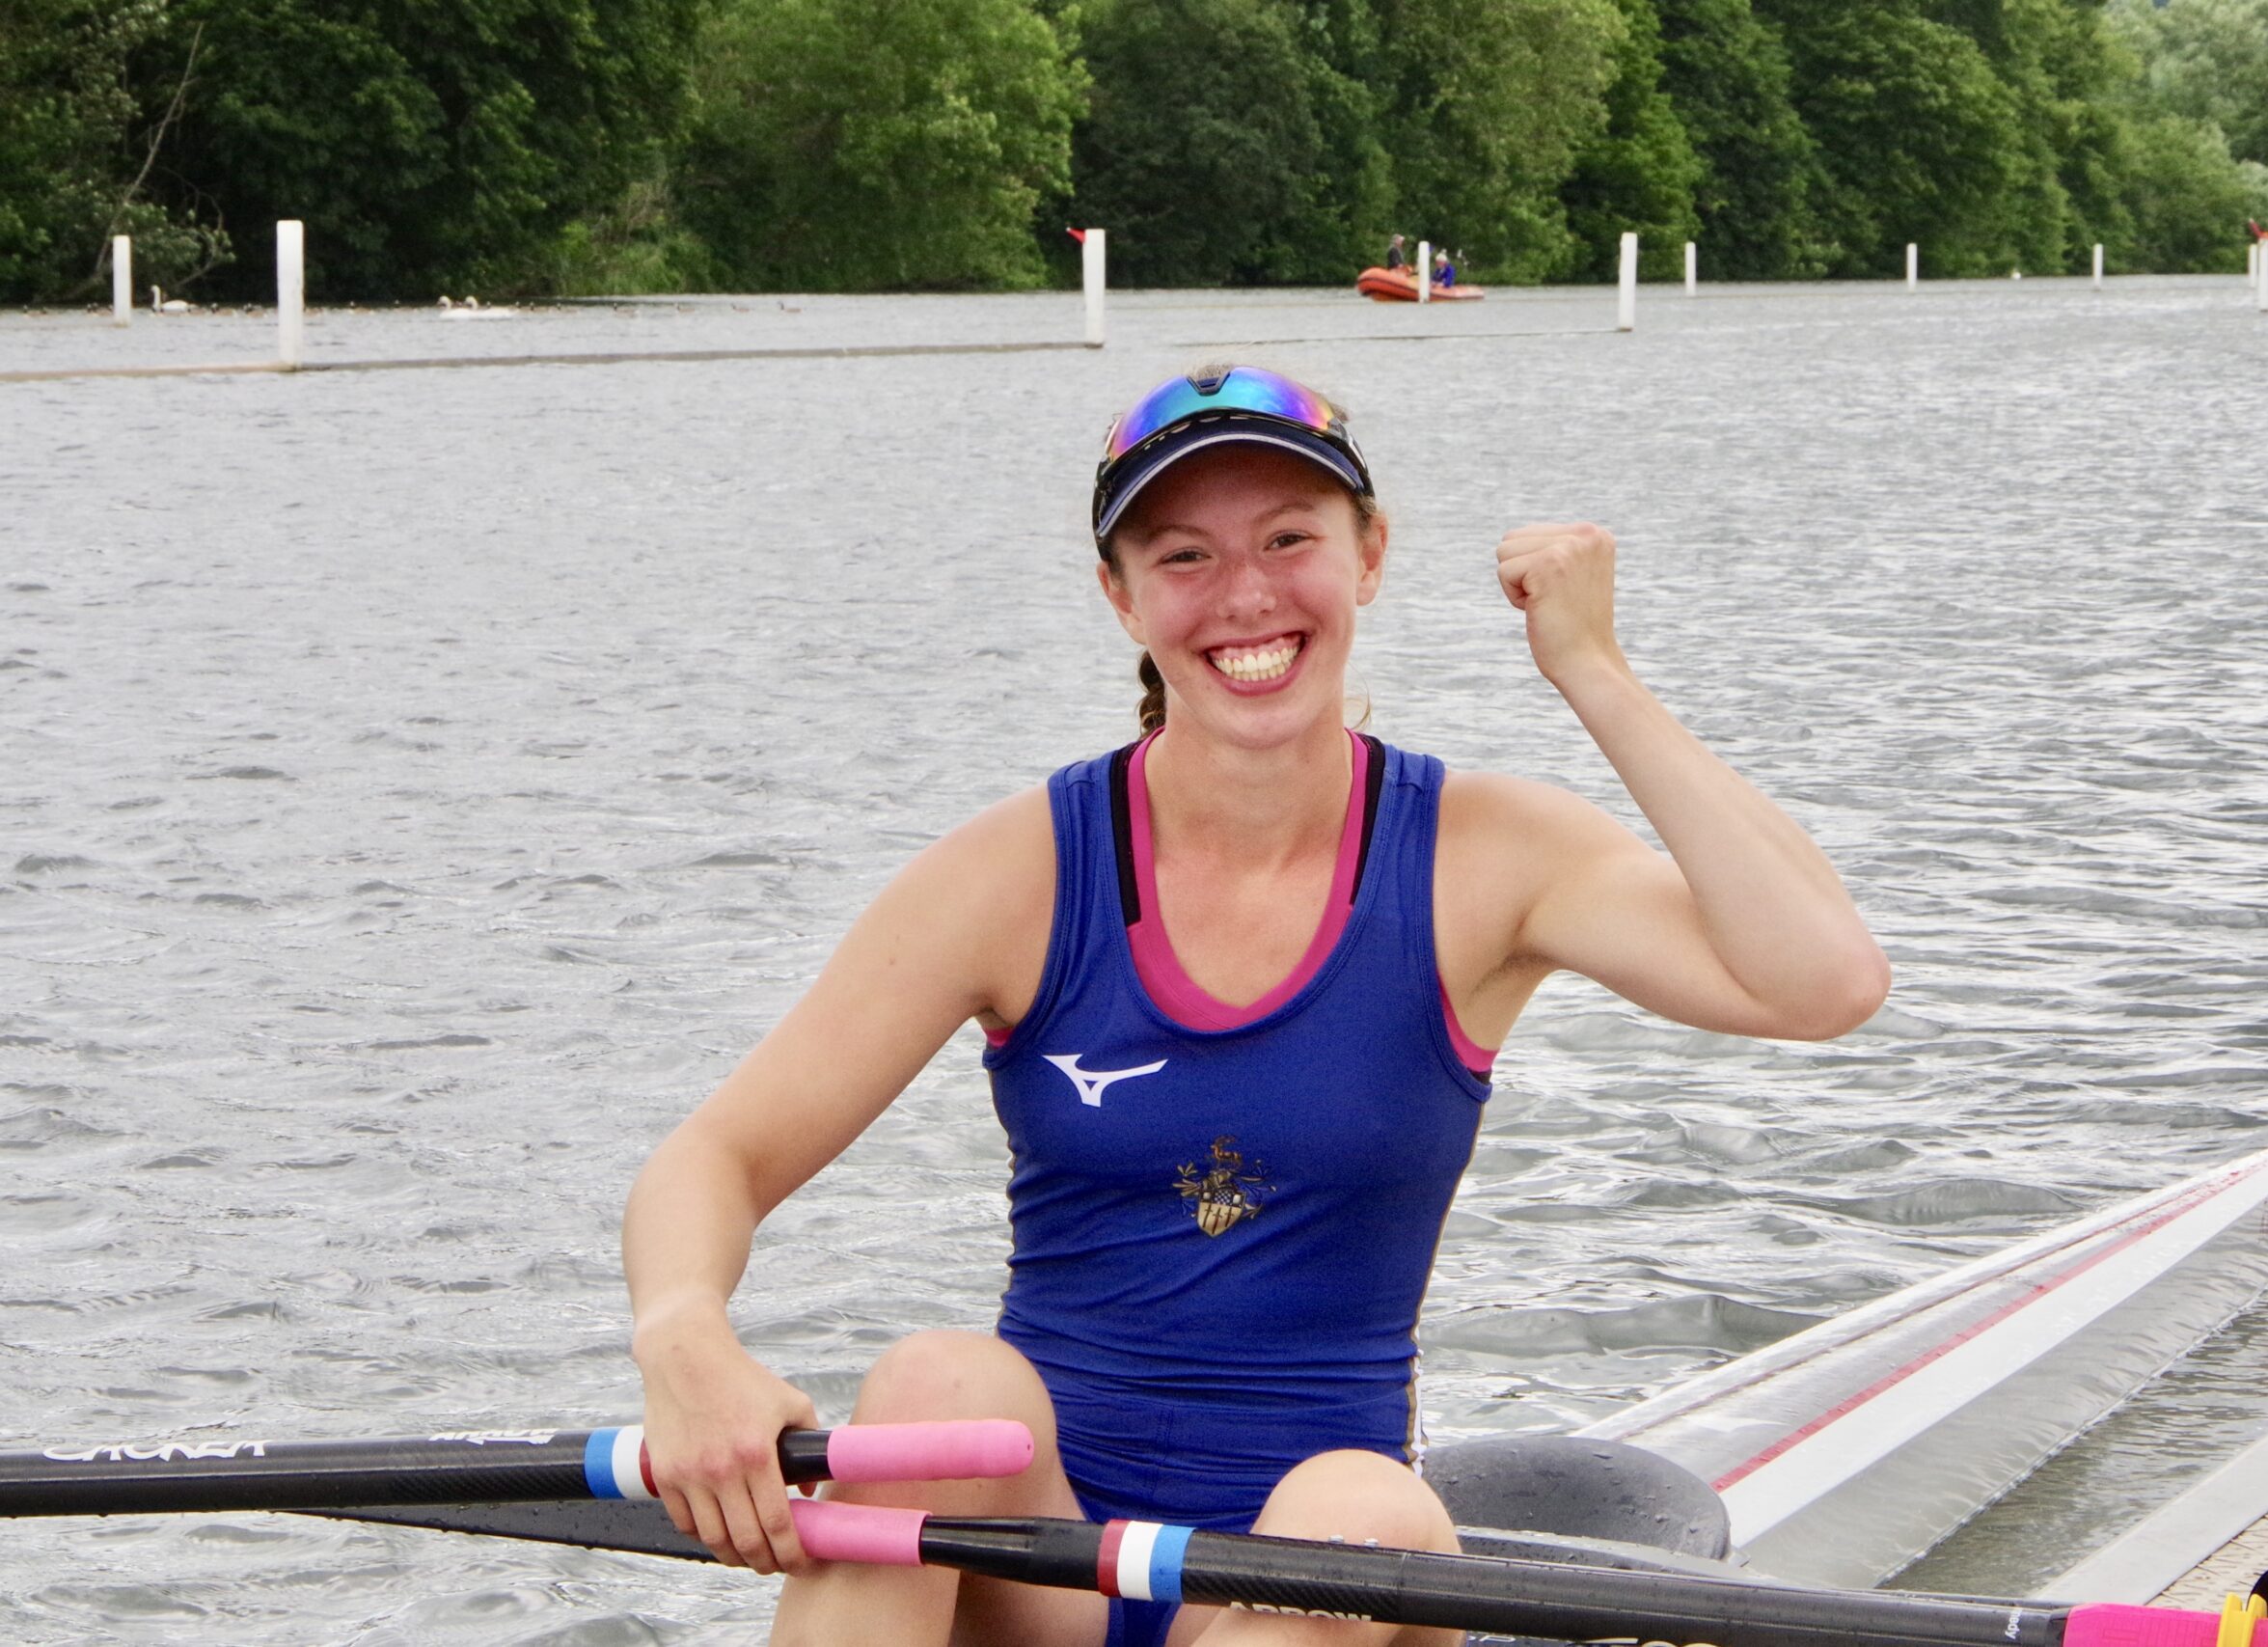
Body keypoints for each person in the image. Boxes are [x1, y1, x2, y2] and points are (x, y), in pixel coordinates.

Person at [623, 364, 1891, 1647]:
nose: (1246, 597)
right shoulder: (1017, 876)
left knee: (1368, 1507)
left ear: (1371, 556)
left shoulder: (1482, 857)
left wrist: (1594, 670)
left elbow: (1824, 980)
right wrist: (688, 1346)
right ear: (1119, 595)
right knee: (930, 1385)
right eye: (1184, 556)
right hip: (1043, 1577)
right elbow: (716, 1158)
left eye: (1290, 540)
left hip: (1317, 1581)